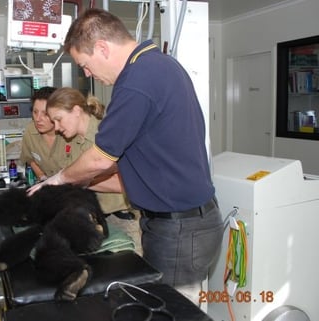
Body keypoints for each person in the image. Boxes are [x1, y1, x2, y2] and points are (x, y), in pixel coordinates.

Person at [29, 8, 223, 304]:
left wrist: (58, 180)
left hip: (180, 229)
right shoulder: (159, 65)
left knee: (173, 310)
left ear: (102, 48)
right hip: (175, 224)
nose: (86, 73)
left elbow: (100, 159)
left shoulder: (138, 79)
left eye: (85, 64)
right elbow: (124, 163)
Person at [46, 87, 142, 255]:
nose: (56, 127)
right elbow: (57, 170)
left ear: (76, 111)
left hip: (121, 221)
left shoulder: (108, 135)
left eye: (59, 119)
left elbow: (126, 183)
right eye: (53, 122)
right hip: (88, 223)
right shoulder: (65, 139)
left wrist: (80, 181)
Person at [20, 86, 67, 181]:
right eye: (35, 112)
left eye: (45, 114)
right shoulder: (30, 131)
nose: (38, 119)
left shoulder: (70, 132)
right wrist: (42, 178)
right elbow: (30, 159)